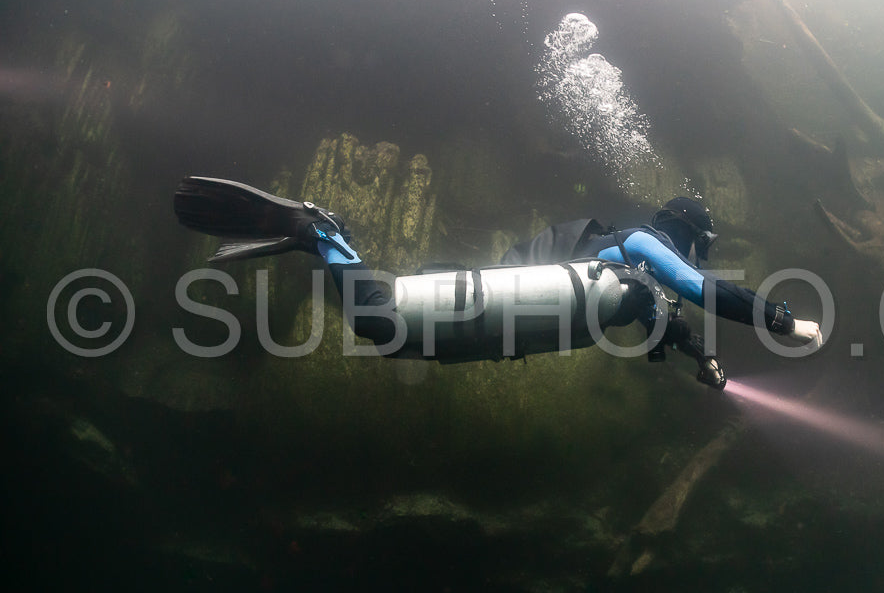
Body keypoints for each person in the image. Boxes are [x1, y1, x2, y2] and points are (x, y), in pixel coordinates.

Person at [175, 178, 822, 388]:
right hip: (498, 304)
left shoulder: (638, 278)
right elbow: (700, 290)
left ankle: (319, 238)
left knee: (387, 336)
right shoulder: (643, 246)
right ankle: (320, 231)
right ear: (686, 233)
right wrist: (781, 319)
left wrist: (701, 357)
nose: (694, 258)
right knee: (378, 321)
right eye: (699, 247)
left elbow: (669, 314)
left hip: (500, 322)